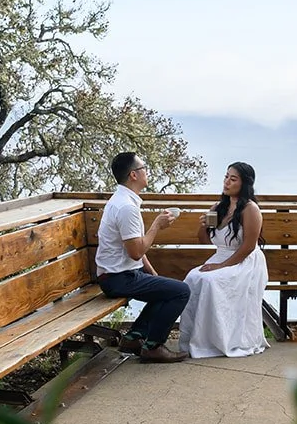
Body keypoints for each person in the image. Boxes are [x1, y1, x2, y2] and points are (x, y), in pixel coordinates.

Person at [95, 151, 189, 363]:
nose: (147, 171)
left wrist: (152, 274)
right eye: (143, 168)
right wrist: (157, 225)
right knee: (181, 291)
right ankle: (153, 346)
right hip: (117, 278)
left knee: (166, 290)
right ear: (133, 175)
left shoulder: (123, 200)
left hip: (120, 274)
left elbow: (134, 246)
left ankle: (134, 337)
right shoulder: (126, 207)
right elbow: (136, 251)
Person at [178, 162, 269, 359]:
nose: (227, 182)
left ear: (244, 183)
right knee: (192, 278)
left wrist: (221, 266)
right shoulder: (218, 207)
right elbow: (204, 240)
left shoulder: (250, 209)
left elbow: (248, 246)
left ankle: (221, 340)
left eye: (233, 179)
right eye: (226, 176)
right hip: (221, 255)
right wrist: (203, 225)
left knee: (211, 281)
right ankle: (198, 339)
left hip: (244, 260)